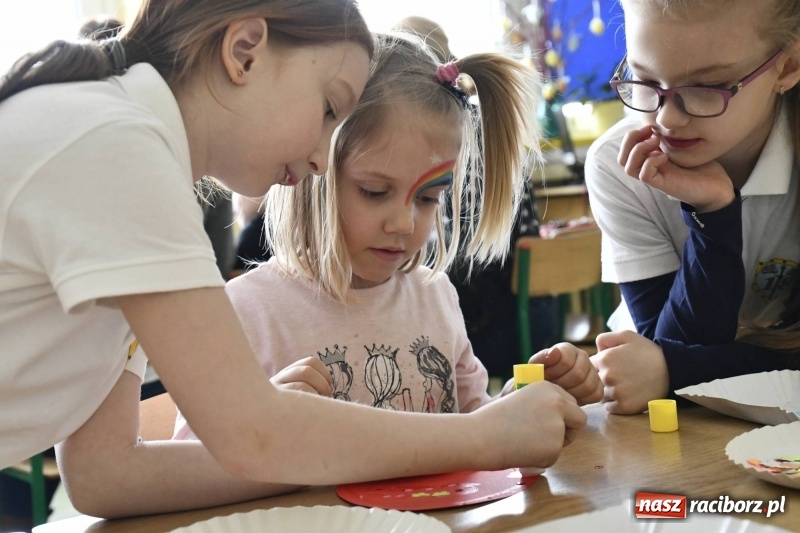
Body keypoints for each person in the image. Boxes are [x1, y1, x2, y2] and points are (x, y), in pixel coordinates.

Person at [0, 0, 586, 519]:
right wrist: (480, 438)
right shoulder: (117, 147)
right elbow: (253, 433)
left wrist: (314, 442)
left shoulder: (133, 159)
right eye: (331, 109)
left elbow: (105, 477)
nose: (322, 157)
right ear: (245, 52)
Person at [173, 33, 601, 442]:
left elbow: (475, 427)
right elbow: (193, 470)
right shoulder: (247, 312)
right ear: (313, 170)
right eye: (375, 192)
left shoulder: (435, 296)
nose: (403, 222)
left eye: (429, 198)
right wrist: (264, 425)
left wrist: (525, 404)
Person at [584, 0, 800, 415]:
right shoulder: (619, 162)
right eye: (644, 80)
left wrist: (675, 369)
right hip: (666, 427)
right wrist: (712, 215)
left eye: (704, 88)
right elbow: (660, 360)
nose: (667, 119)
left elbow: (667, 366)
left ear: (787, 67)